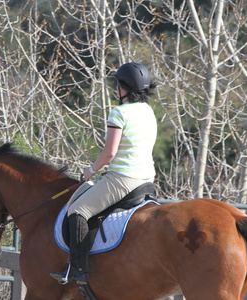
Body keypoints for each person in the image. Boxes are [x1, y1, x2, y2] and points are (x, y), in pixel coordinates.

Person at [50, 62, 158, 285]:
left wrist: (91, 170)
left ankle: (77, 270)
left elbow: (110, 152)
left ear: (124, 87)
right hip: (147, 180)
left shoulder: (119, 113)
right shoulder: (148, 111)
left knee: (78, 210)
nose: (116, 88)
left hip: (122, 180)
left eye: (118, 84)